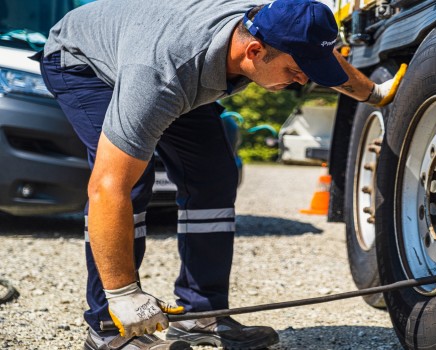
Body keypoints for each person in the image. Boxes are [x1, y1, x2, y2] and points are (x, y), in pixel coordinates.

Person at [37, 0, 405, 349]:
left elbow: (324, 63)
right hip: (82, 60)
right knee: (131, 182)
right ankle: (110, 327)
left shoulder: (269, 32)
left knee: (213, 176)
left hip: (168, 52)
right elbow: (107, 186)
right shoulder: (161, 76)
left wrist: (375, 93)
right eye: (295, 71)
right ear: (254, 51)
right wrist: (124, 293)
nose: (298, 82)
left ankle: (201, 312)